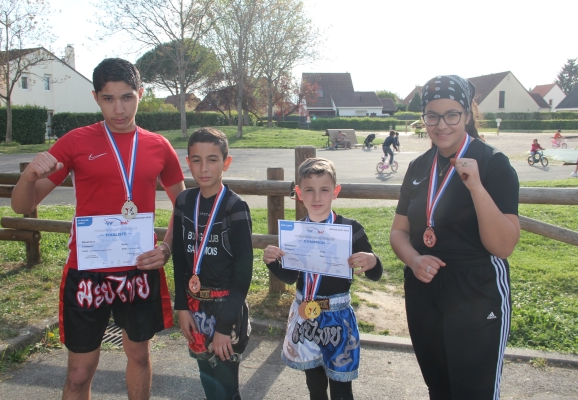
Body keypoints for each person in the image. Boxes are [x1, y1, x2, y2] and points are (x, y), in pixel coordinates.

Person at [10, 58, 186, 400]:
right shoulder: (75, 142)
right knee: (78, 372)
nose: (118, 109)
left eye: (127, 97)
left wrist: (165, 248)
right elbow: (21, 206)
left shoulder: (158, 145)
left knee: (139, 355)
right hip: (87, 270)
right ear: (96, 97)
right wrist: (28, 176)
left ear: (141, 94)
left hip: (138, 268)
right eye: (108, 99)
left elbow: (184, 206)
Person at [390, 75, 520, 400]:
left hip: (475, 289)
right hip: (423, 287)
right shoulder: (419, 167)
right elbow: (399, 232)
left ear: (466, 114)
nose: (441, 124)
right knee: (439, 388)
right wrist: (414, 259)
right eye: (432, 115)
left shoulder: (494, 165)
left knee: (473, 393)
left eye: (451, 114)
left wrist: (475, 185)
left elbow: (503, 246)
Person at [263, 157, 383, 400]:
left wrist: (373, 260)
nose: (317, 198)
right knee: (315, 384)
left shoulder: (351, 229)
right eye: (309, 190)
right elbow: (288, 277)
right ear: (299, 193)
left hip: (337, 318)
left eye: (324, 190)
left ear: (335, 192)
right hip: (305, 314)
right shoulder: (295, 232)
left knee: (341, 386)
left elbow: (375, 274)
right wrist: (271, 262)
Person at [173, 127, 253, 400]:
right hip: (195, 307)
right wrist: (182, 307)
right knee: (208, 381)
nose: (203, 168)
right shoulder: (184, 201)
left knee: (226, 389)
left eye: (212, 159)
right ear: (188, 162)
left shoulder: (235, 207)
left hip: (226, 309)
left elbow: (244, 274)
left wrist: (223, 328)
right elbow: (181, 261)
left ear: (226, 163)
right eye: (196, 160)